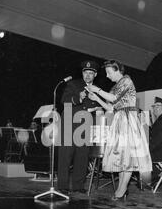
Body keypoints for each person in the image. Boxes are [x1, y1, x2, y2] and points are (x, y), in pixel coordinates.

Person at [87, 60, 152, 200]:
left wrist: (97, 90)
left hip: (128, 119)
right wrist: (97, 98)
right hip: (119, 120)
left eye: (109, 72)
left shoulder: (126, 81)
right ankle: (121, 190)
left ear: (118, 70)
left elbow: (114, 98)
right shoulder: (115, 87)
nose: (107, 76)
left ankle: (121, 191)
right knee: (123, 158)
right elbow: (110, 107)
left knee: (128, 158)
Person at [57, 60, 101, 195]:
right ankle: (63, 185)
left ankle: (78, 186)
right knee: (65, 157)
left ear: (95, 75)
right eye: (85, 72)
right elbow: (64, 101)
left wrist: (97, 110)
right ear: (82, 73)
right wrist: (78, 97)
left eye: (91, 73)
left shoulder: (97, 89)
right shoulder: (73, 84)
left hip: (86, 126)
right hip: (69, 125)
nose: (87, 75)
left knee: (82, 158)